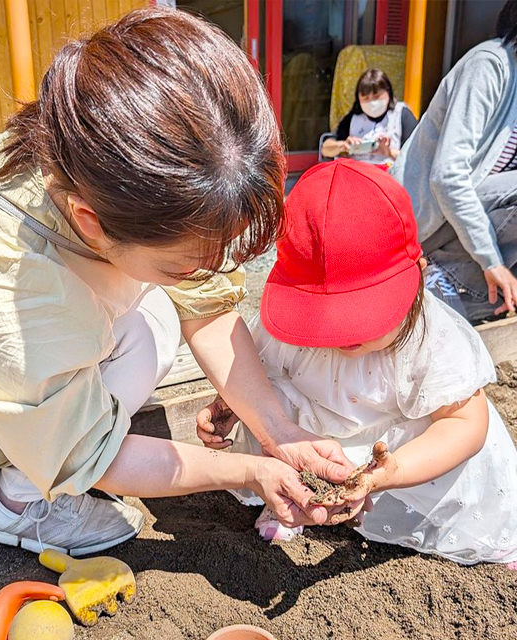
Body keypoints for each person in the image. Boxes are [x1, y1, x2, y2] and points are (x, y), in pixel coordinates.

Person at [0, 8, 354, 557]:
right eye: (185, 264)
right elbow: (85, 450)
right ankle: (17, 503)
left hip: (30, 345)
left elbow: (205, 307)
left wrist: (278, 432)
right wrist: (249, 470)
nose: (207, 273)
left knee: (156, 323)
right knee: (129, 351)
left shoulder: (102, 160)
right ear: (89, 223)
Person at [197, 160, 517, 567]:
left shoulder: (430, 338)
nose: (340, 336)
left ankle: (490, 534)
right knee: (273, 398)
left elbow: (465, 426)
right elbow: (261, 372)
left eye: (359, 317)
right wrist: (230, 405)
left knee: (465, 467)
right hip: (318, 443)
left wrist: (389, 473)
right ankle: (295, 500)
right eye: (321, 316)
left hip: (404, 459)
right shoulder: (285, 335)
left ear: (416, 278)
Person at [391, 0, 517, 324]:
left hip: (456, 229)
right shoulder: (491, 66)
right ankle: (438, 279)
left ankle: (452, 290)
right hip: (416, 227)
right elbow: (447, 175)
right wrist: (491, 260)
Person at [321, 68, 417, 165]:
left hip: (390, 174)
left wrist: (389, 153)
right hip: (359, 173)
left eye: (376, 97)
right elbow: (325, 149)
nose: (372, 102)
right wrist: (343, 145)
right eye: (366, 98)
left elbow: (416, 157)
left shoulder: (402, 114)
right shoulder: (353, 118)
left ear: (388, 93)